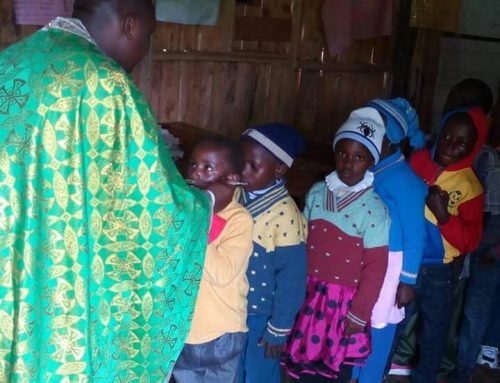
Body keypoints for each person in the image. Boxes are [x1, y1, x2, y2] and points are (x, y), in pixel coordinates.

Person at [0, 1, 211, 382]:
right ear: (130, 26)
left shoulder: (12, 63)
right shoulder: (104, 84)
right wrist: (203, 202)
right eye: (148, 36)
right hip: (60, 293)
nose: (145, 48)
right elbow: (150, 210)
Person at [386, 78, 494, 382]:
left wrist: (445, 217)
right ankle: (384, 367)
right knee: (395, 318)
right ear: (440, 132)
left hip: (438, 271)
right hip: (407, 260)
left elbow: (472, 240)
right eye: (448, 136)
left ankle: (425, 377)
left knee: (434, 331)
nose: (451, 145)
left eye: (462, 143)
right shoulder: (418, 161)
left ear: (473, 148)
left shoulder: (470, 186)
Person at [282, 107, 390, 382]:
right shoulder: (318, 192)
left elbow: (376, 269)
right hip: (309, 293)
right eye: (342, 153)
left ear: (370, 161)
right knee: (302, 361)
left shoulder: (375, 211)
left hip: (343, 305)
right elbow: (301, 239)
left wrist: (360, 312)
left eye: (359, 157)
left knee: (335, 366)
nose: (348, 163)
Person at [351, 98, 427, 383]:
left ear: (390, 138)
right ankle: (355, 374)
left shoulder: (404, 181)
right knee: (360, 320)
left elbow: (414, 235)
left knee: (378, 326)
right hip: (367, 258)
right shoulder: (369, 171)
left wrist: (407, 281)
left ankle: (369, 377)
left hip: (391, 266)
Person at [173, 139, 253, 383]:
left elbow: (222, 273)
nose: (196, 171)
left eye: (208, 168)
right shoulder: (183, 210)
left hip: (220, 334)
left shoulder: (239, 220)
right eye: (193, 164)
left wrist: (203, 215)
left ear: (231, 179)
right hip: (185, 331)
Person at [238, 123, 308, 383]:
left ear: (279, 170)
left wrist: (278, 329)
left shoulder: (286, 216)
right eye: (240, 162)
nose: (242, 171)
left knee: (258, 374)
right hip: (234, 308)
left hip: (262, 317)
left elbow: (292, 281)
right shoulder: (236, 195)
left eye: (253, 166)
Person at [449, 108, 500, 382]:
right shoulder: (459, 155)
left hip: (484, 250)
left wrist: (491, 250)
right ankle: (454, 362)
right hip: (464, 243)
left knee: (474, 312)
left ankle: (463, 369)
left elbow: (488, 213)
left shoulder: (488, 159)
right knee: (459, 308)